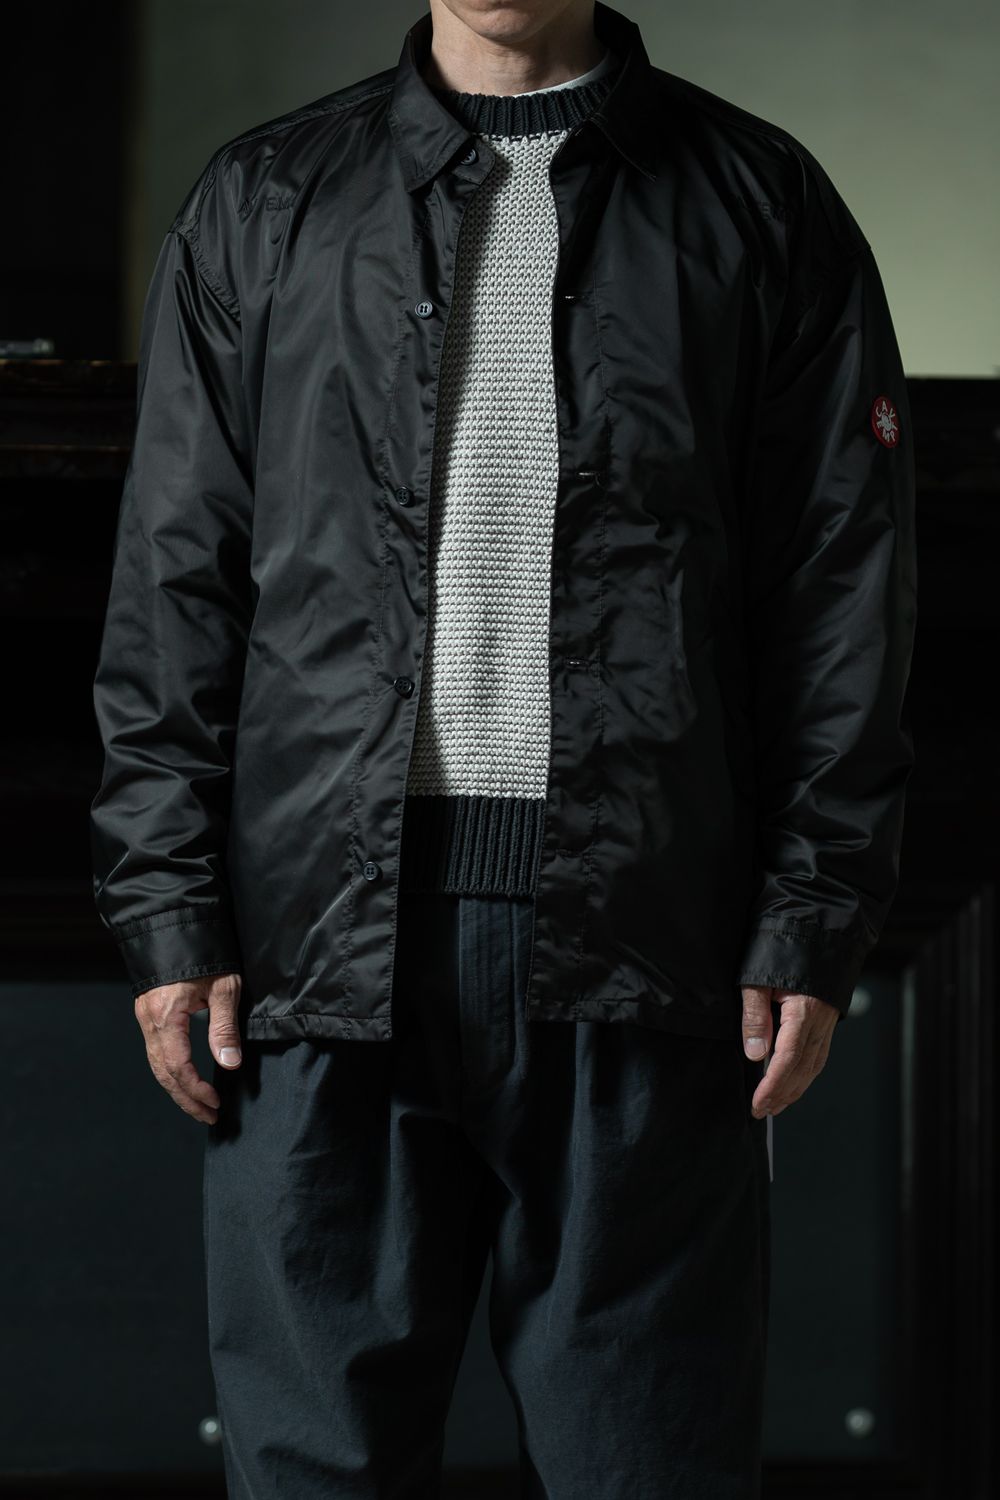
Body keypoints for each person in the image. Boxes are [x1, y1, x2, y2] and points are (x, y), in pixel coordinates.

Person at [89, 1, 917, 1494]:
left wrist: (813, 910)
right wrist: (166, 909)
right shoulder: (265, 201)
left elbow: (840, 589)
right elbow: (173, 584)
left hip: (648, 940)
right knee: (313, 1473)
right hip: (317, 950)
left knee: (647, 1465)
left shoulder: (763, 202)